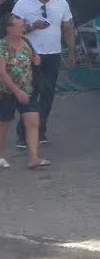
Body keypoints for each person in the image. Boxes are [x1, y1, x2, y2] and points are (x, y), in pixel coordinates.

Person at [12, 0, 75, 148]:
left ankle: (40, 130)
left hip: (52, 55)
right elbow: (14, 31)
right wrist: (33, 26)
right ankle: (23, 134)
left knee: (47, 95)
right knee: (30, 94)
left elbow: (68, 28)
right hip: (29, 55)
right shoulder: (22, 5)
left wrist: (71, 52)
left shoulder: (61, 4)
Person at [0, 14, 50, 169]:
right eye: (20, 26)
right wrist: (16, 91)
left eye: (23, 25)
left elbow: (33, 60)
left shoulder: (27, 42)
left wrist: (37, 60)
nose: (23, 28)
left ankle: (34, 158)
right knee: (3, 124)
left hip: (28, 89)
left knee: (33, 122)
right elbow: (2, 73)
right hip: (6, 92)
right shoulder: (2, 47)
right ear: (9, 28)